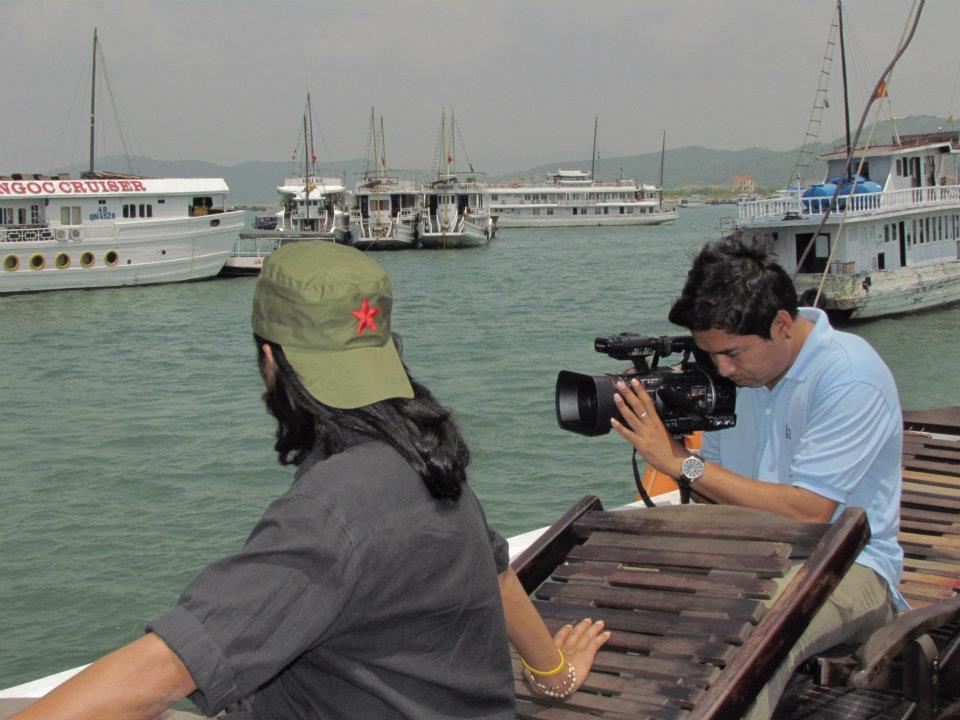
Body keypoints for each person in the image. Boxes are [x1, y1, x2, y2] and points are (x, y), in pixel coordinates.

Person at [14, 242, 608, 720]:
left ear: (270, 360)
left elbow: (162, 674)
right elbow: (494, 570)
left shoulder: (332, 511)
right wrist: (553, 674)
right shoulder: (422, 454)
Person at [610, 235, 905, 720]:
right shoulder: (740, 379)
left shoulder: (848, 376)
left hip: (848, 565)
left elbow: (810, 512)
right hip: (755, 552)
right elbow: (717, 493)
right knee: (628, 595)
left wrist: (682, 463)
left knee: (750, 634)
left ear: (782, 324)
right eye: (711, 355)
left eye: (733, 353)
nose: (723, 369)